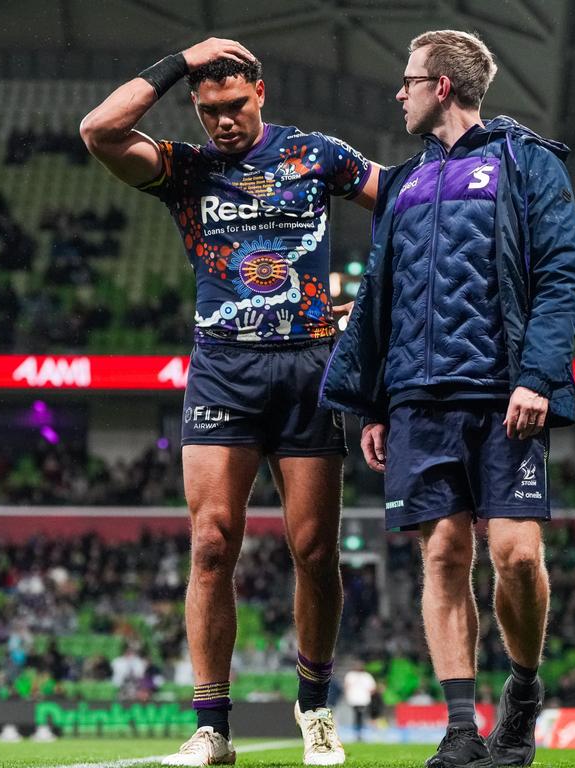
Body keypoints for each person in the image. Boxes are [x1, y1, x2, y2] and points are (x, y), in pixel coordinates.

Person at [81, 38, 378, 767]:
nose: (223, 123)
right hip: (223, 371)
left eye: (235, 106)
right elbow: (99, 132)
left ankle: (314, 710)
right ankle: (212, 727)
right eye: (209, 110)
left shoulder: (316, 155)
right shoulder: (186, 169)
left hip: (310, 366)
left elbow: (402, 203)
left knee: (314, 551)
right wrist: (180, 60)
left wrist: (370, 300)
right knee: (212, 545)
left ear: (261, 94)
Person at [322, 29, 575, 768]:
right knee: (442, 555)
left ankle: (524, 695)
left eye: (407, 81)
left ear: (441, 85)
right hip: (417, 401)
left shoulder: (527, 163)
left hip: (505, 395)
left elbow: (564, 276)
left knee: (516, 558)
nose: (397, 94)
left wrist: (537, 375)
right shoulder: (402, 186)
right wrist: (372, 402)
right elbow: (379, 298)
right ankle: (463, 729)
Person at [343, 660, 377, 742]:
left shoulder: (366, 676)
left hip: (363, 700)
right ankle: (357, 734)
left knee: (360, 717)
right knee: (357, 716)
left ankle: (359, 734)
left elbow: (373, 688)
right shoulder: (350, 675)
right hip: (354, 700)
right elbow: (346, 686)